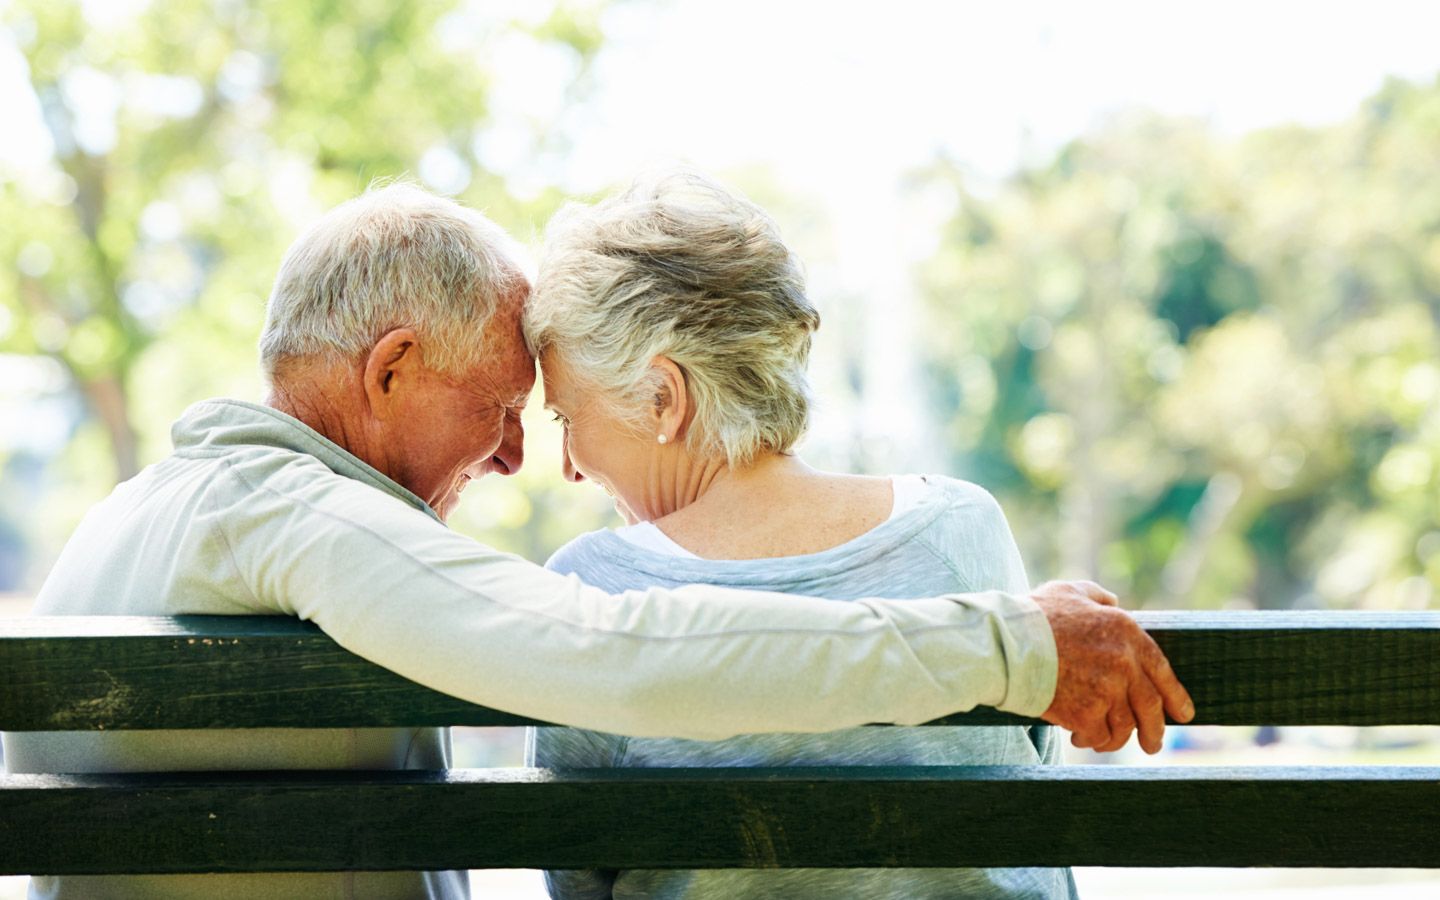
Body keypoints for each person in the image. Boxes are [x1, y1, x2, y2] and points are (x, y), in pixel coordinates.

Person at [2, 183, 1192, 899]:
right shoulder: (292, 517)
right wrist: (1007, 644)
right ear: (392, 369)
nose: (519, 458)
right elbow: (606, 651)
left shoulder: (141, 512)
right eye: (502, 408)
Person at [524, 170, 1077, 898]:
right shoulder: (960, 527)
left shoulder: (593, 590)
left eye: (567, 418)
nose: (568, 465)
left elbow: (576, 878)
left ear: (663, 397)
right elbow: (1033, 807)